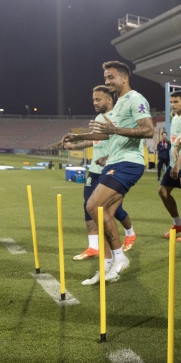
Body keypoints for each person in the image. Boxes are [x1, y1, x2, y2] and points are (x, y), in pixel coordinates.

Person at [62, 60, 154, 285]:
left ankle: (120, 258)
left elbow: (148, 129)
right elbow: (106, 135)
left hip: (128, 163)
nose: (108, 81)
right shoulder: (120, 103)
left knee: (93, 206)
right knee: (103, 217)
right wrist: (79, 138)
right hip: (115, 162)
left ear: (124, 78)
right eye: (105, 78)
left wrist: (115, 129)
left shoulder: (135, 99)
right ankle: (104, 269)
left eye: (111, 77)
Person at [66, 86, 136, 261]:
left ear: (109, 100)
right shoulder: (98, 118)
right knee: (87, 206)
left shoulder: (117, 118)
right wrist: (75, 145)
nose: (95, 103)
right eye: (93, 100)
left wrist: (107, 157)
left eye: (98, 100)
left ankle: (130, 233)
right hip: (94, 171)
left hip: (111, 169)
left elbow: (122, 142)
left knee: (115, 210)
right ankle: (93, 246)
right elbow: (94, 140)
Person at [159, 91, 181, 241]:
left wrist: (179, 163)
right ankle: (178, 224)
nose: (173, 105)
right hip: (173, 164)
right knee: (163, 191)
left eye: (176, 102)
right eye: (171, 102)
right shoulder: (175, 117)